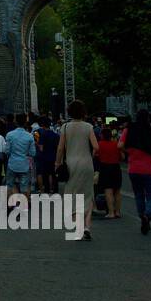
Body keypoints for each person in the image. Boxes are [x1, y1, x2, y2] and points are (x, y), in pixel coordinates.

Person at [57, 100, 98, 241]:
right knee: (88, 194)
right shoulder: (89, 127)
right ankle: (87, 226)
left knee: (71, 194)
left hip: (71, 164)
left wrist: (58, 162)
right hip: (86, 163)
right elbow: (96, 147)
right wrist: (91, 155)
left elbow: (61, 148)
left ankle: (78, 226)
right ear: (83, 112)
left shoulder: (65, 127)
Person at [122, 110, 151, 235]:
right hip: (149, 169)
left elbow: (119, 145)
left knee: (139, 195)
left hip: (133, 168)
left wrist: (129, 152)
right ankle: (147, 215)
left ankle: (142, 217)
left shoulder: (129, 130)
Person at [3, 113, 36, 197]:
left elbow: (6, 151)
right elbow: (33, 153)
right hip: (24, 164)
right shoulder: (29, 136)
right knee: (24, 186)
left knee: (10, 185)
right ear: (25, 122)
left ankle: (11, 204)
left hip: (12, 163)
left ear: (15, 122)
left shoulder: (9, 135)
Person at [95, 127, 122, 219]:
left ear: (102, 135)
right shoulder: (116, 144)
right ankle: (117, 211)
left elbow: (94, 154)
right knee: (117, 190)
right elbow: (122, 156)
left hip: (105, 167)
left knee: (108, 190)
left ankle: (111, 212)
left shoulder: (99, 144)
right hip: (116, 167)